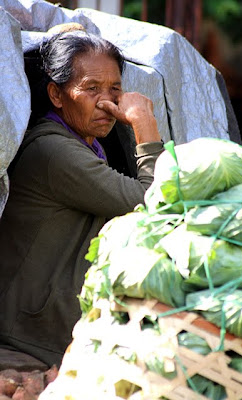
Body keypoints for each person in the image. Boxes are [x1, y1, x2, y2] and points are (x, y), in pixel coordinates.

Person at [0, 30, 164, 367]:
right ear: (57, 95)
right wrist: (145, 123)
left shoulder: (86, 144)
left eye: (115, 89)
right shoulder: (53, 151)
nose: (107, 102)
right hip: (29, 340)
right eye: (91, 89)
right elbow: (155, 204)